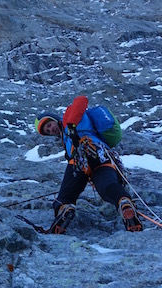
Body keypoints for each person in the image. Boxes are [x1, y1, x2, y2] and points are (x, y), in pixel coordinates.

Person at [35, 96, 142, 234]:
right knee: (106, 187)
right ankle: (124, 203)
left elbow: (81, 100)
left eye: (49, 125)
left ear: (54, 119)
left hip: (82, 155)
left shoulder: (68, 117)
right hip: (102, 156)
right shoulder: (65, 136)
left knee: (65, 195)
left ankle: (64, 210)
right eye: (47, 131)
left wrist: (72, 125)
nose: (51, 130)